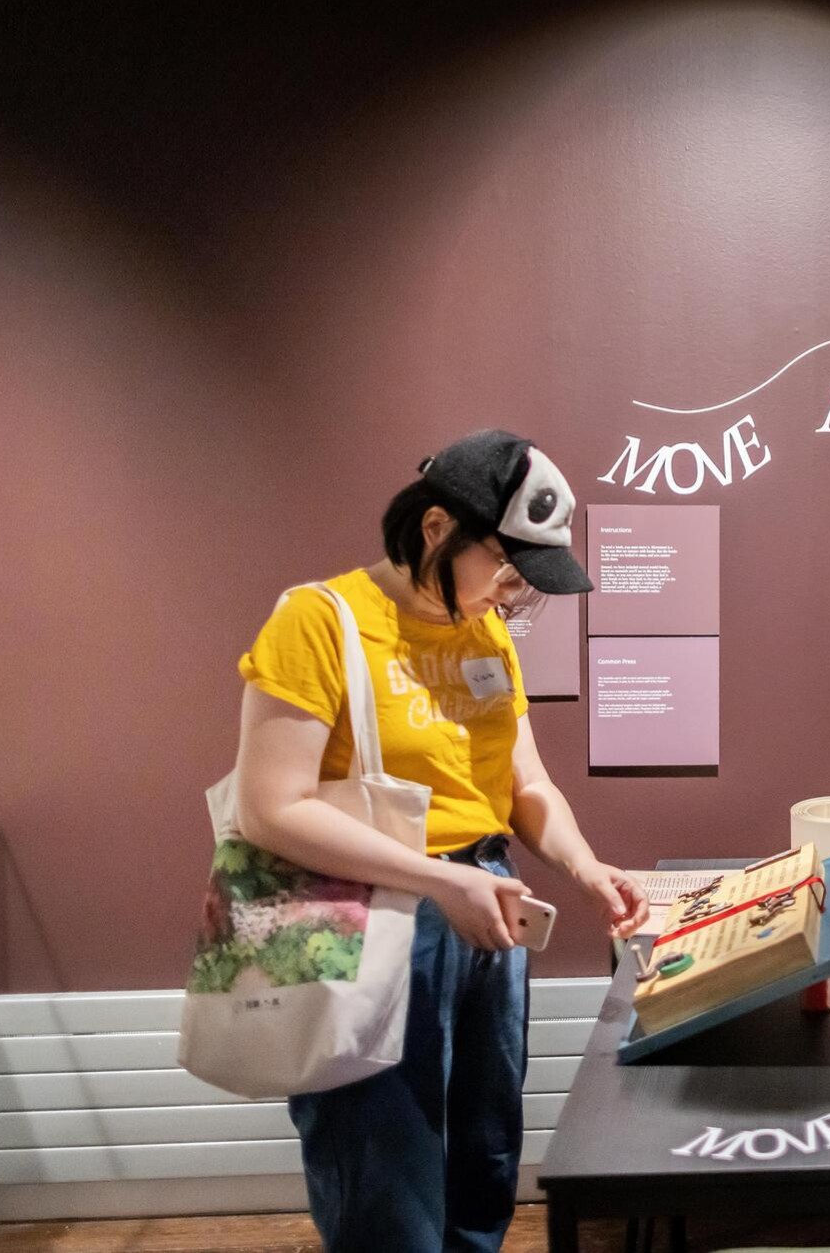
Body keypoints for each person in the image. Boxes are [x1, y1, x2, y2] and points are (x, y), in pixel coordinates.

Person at [232, 429, 650, 1252]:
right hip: (362, 912)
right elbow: (268, 808)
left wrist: (581, 863)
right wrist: (435, 881)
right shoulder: (320, 620)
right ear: (434, 529)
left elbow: (524, 786)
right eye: (505, 566)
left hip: (487, 905)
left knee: (484, 1152)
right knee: (383, 1173)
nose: (514, 591)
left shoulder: (483, 630)